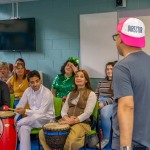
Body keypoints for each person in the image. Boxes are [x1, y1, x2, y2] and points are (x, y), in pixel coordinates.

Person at [112, 18, 150, 150]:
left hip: (132, 144)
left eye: (115, 36)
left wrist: (125, 148)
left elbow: (126, 107)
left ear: (121, 38)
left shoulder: (122, 67)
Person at [39, 70, 97, 150]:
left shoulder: (91, 94)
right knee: (42, 133)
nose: (78, 78)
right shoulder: (71, 93)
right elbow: (63, 110)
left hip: (82, 123)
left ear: (86, 80)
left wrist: (72, 121)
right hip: (66, 120)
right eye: (77, 76)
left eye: (81, 76)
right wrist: (66, 119)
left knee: (70, 139)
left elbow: (87, 113)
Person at [15, 70, 55, 150]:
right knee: (23, 128)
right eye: (32, 82)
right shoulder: (27, 91)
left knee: (33, 118)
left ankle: (16, 124)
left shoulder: (47, 93)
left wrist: (25, 111)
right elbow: (19, 106)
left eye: (37, 81)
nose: (35, 84)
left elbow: (41, 112)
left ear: (40, 80)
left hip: (46, 118)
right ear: (29, 83)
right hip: (32, 119)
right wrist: (14, 118)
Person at [95, 61, 116, 149]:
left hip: (110, 103)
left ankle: (106, 139)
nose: (109, 71)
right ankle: (93, 138)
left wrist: (104, 104)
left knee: (104, 114)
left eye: (111, 69)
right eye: (107, 69)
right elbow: (96, 93)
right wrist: (95, 102)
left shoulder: (117, 82)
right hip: (99, 101)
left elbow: (115, 96)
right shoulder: (101, 81)